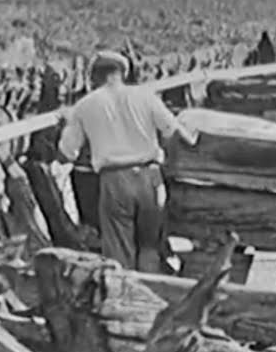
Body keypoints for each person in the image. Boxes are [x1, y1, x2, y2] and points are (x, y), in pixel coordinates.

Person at [58, 51, 199, 273]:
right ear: (123, 73)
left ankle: (126, 297)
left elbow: (68, 152)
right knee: (150, 245)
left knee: (119, 247)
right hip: (150, 176)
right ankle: (151, 289)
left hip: (115, 179)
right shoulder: (145, 96)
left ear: (94, 76)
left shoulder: (85, 106)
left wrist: (65, 125)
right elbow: (172, 131)